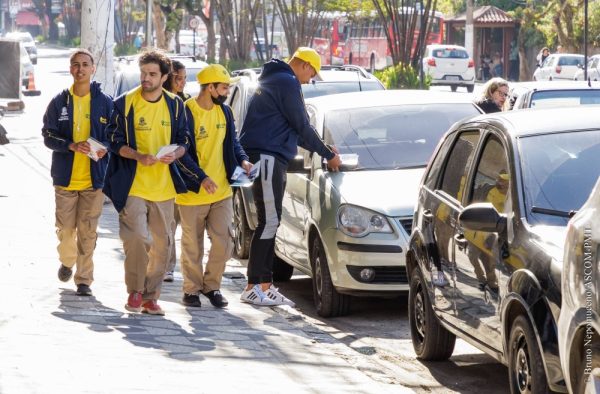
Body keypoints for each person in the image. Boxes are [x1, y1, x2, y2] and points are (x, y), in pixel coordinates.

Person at [238, 47, 342, 306]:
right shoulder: (287, 82)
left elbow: (295, 128)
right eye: (312, 74)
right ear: (305, 65)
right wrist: (328, 154)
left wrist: (324, 150)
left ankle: (265, 284)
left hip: (269, 158)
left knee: (270, 221)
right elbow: (302, 126)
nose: (310, 80)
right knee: (269, 222)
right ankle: (253, 286)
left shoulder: (275, 79)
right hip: (268, 158)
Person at [103, 49, 190, 315]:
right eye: (143, 73)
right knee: (137, 238)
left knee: (162, 243)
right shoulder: (124, 103)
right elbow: (113, 142)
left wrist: (175, 153)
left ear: (165, 77)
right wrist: (139, 155)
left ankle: (151, 297)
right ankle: (135, 291)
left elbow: (185, 140)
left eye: (152, 74)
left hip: (164, 188)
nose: (146, 78)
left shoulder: (176, 105)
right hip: (133, 185)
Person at [175, 64, 252, 308]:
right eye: (224, 87)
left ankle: (212, 287)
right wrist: (201, 178)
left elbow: (233, 143)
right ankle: (191, 290)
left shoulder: (225, 112)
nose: (227, 92)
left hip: (222, 192)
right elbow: (182, 153)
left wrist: (243, 160)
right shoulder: (186, 111)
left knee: (224, 242)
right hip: (193, 192)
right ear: (210, 88)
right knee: (192, 245)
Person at [42, 49, 114, 296]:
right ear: (70, 69)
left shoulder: (105, 103)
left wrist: (106, 149)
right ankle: (67, 260)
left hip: (94, 181)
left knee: (88, 231)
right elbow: (48, 135)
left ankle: (84, 280)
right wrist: (70, 145)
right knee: (65, 231)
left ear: (93, 69)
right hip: (65, 180)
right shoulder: (59, 102)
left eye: (85, 64)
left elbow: (116, 137)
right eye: (76, 65)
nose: (80, 69)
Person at [161, 59, 191, 282]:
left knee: (183, 224)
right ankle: (168, 265)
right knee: (168, 224)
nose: (181, 83)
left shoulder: (188, 103)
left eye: (184, 79)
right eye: (177, 78)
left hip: (187, 170)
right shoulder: (160, 101)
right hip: (164, 169)